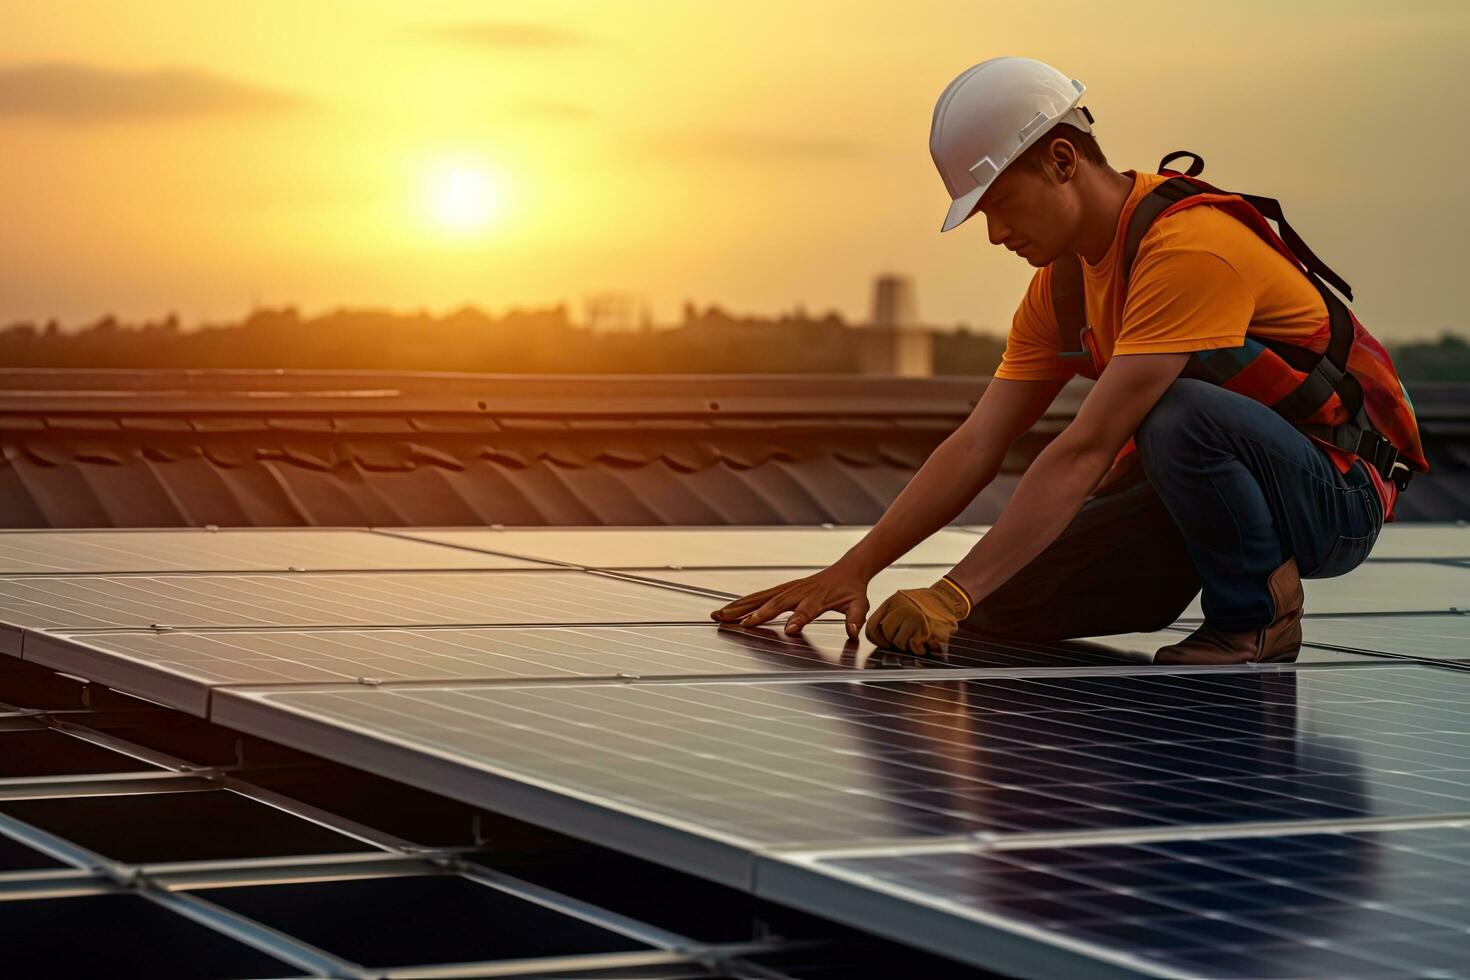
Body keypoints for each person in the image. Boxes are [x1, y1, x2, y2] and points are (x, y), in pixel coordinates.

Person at [711, 56, 1425, 665]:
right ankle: (1202, 583)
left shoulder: (1188, 251)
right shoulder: (1062, 286)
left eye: (1000, 204)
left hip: (1335, 495)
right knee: (1000, 610)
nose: (994, 234)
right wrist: (857, 568)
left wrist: (950, 589)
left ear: (1061, 161)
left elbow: (1083, 450)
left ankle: (1255, 621)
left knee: (1178, 412)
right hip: (1211, 492)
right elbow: (979, 441)